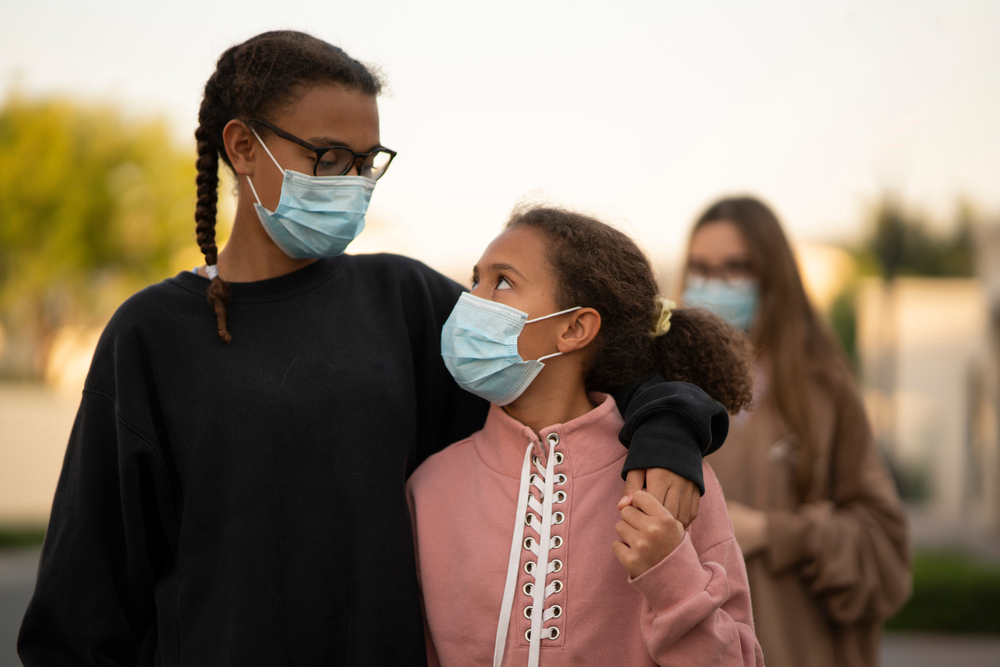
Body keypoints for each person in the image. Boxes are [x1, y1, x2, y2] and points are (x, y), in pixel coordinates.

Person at [19, 32, 729, 665]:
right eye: (328, 158)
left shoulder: (401, 300)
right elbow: (87, 599)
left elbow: (588, 360)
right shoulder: (150, 335)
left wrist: (667, 430)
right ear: (242, 146)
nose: (352, 183)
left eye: (367, 162)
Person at [408, 206, 764, 667]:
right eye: (475, 280)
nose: (471, 301)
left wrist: (671, 577)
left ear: (574, 328)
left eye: (502, 282)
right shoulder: (429, 487)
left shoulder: (670, 481)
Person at [682, 196, 911, 667]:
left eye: (735, 268)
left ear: (773, 277)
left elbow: (885, 550)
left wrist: (772, 533)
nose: (713, 285)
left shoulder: (824, 392)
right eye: (700, 269)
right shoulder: (661, 390)